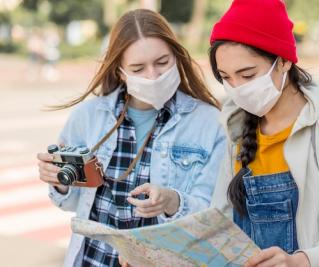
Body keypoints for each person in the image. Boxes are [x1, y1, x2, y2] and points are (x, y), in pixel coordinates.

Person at [37, 9, 226, 267]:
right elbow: (71, 203)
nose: (153, 76)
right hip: (94, 260)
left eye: (162, 62)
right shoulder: (89, 116)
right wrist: (60, 181)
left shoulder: (209, 122)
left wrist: (171, 201)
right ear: (120, 71)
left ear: (178, 57)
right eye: (138, 68)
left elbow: (214, 215)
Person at [209, 0, 319, 266]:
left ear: (283, 62)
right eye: (226, 77)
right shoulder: (236, 132)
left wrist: (300, 261)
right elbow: (218, 230)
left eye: (247, 75)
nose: (237, 88)